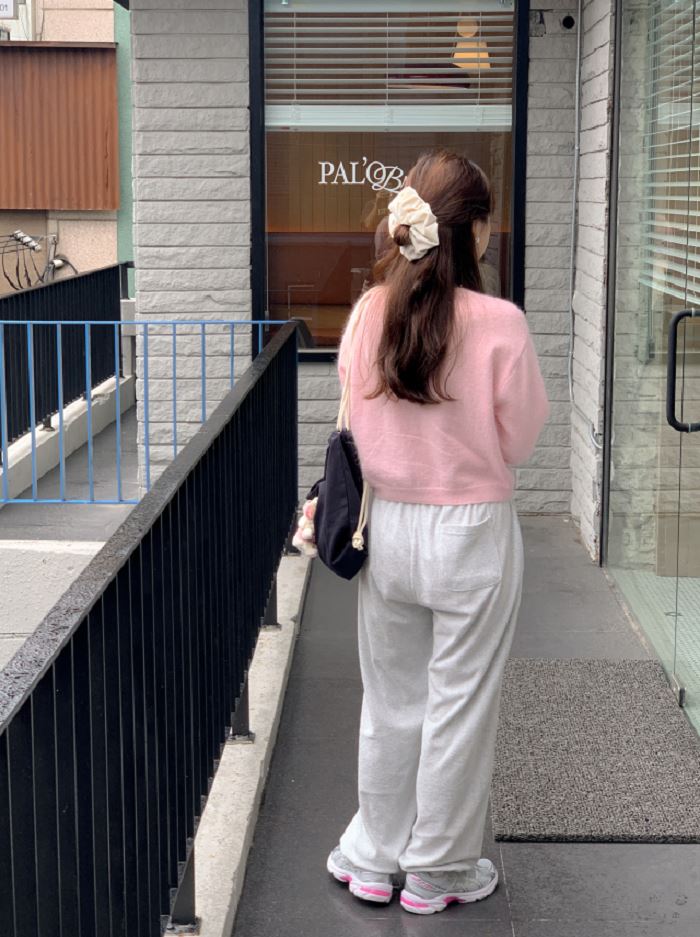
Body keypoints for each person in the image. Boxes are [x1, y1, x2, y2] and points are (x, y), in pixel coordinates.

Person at [325, 150, 549, 915]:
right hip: (473, 534)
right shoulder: (501, 324)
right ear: (475, 230)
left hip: (386, 527)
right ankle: (438, 868)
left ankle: (373, 855)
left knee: (391, 700)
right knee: (461, 702)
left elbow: (356, 420)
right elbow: (520, 441)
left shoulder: (368, 313)